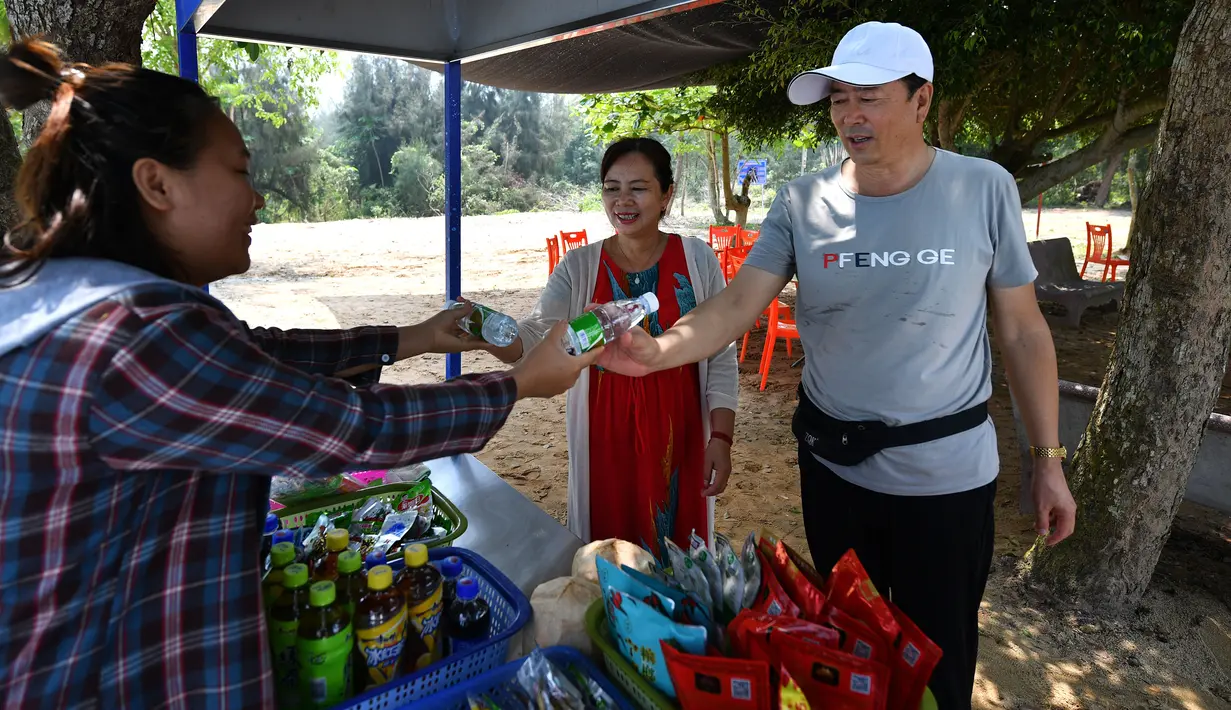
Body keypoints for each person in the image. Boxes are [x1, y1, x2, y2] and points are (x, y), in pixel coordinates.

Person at [0, 39, 599, 708]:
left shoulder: (73, 299)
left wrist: (413, 337)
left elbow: (252, 361)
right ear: (156, 183)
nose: (256, 199)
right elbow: (354, 430)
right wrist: (517, 383)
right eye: (238, 171)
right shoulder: (132, 335)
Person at [597, 22, 1077, 709]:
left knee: (937, 659)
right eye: (838, 100)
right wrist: (656, 351)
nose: (849, 115)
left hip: (945, 477)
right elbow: (736, 304)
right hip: (835, 471)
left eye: (869, 98)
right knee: (848, 652)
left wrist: (1046, 460)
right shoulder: (801, 201)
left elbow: (1024, 331)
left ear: (920, 101)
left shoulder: (982, 188)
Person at [449, 137, 738, 557]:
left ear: (666, 195)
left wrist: (722, 437)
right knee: (604, 557)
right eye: (611, 187)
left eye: (638, 187)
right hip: (603, 438)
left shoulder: (697, 260)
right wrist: (487, 330)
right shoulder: (580, 266)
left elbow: (720, 353)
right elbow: (537, 338)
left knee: (681, 557)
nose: (623, 200)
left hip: (685, 434)